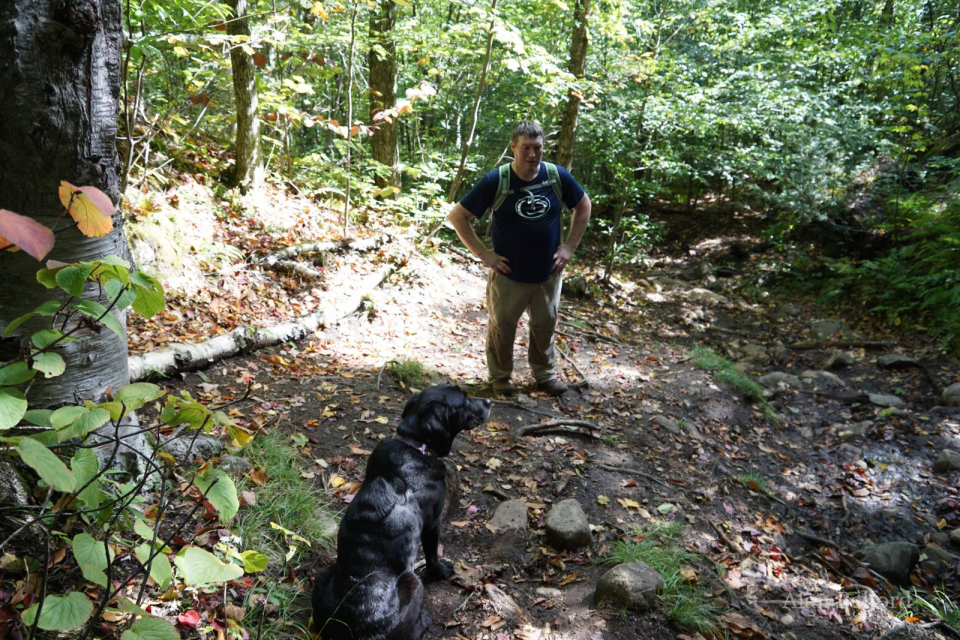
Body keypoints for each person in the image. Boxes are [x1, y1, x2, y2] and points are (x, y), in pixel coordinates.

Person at [447, 121, 591, 396]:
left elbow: (583, 205)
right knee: (502, 328)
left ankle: (545, 375)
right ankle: (500, 379)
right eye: (525, 148)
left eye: (537, 148)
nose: (532, 155)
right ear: (513, 147)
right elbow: (458, 216)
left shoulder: (555, 176)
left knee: (545, 325)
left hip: (548, 272)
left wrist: (569, 247)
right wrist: (484, 254)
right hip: (508, 274)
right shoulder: (497, 180)